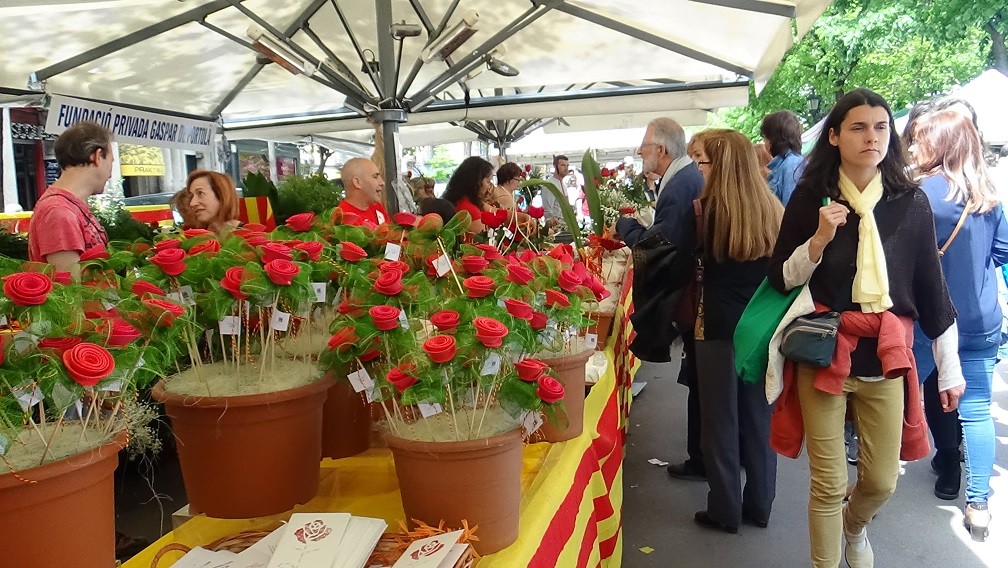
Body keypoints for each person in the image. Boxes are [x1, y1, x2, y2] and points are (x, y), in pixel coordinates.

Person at [767, 88, 965, 568]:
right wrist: (818, 238)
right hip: (822, 350)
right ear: (834, 136)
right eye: (857, 127)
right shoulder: (810, 198)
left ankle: (855, 528)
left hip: (885, 355)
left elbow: (931, 290)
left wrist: (950, 367)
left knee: (881, 480)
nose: (871, 137)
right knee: (828, 482)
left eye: (880, 127)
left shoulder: (909, 203)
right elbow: (779, 278)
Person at [907, 108, 1006, 540]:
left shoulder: (919, 196)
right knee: (977, 409)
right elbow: (1001, 254)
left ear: (938, 144)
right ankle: (979, 504)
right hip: (982, 317)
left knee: (908, 395)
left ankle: (935, 465)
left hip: (932, 318)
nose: (913, 147)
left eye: (921, 139)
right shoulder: (989, 195)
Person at [683, 129, 783, 534]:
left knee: (720, 421)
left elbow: (684, 267)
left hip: (717, 326)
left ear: (720, 163)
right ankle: (760, 504)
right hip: (761, 326)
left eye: (702, 161)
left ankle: (724, 509)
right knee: (760, 418)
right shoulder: (772, 207)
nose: (698, 169)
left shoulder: (707, 210)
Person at [616, 117, 705, 481]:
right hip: (695, 294)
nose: (640, 151)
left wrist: (627, 229)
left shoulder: (681, 183)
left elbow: (662, 247)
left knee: (701, 387)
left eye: (645, 145)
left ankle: (702, 459)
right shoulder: (681, 179)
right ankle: (704, 457)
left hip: (690, 295)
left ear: (662, 150)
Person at [28, 120, 112, 274]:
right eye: (111, 162)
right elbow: (71, 289)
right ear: (97, 156)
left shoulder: (67, 207)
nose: (111, 175)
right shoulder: (59, 212)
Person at [172, 170, 240, 234]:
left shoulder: (248, 237)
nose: (192, 203)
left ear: (222, 195)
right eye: (191, 196)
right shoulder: (193, 237)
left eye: (200, 193)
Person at [760, 110, 804, 205]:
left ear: (774, 138)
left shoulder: (791, 165)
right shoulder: (784, 164)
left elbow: (789, 209)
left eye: (765, 136)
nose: (764, 142)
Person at [443, 156, 495, 234]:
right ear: (477, 181)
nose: (489, 186)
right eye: (488, 181)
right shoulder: (469, 209)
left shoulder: (457, 201)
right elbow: (483, 241)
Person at [339, 157, 389, 226]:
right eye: (375, 177)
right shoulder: (342, 218)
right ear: (357, 182)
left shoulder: (377, 207)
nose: (382, 182)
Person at [542, 155, 569, 228]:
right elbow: (547, 210)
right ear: (555, 166)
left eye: (567, 165)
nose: (566, 168)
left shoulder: (563, 184)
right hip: (556, 227)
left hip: (565, 224)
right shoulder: (549, 185)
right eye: (563, 165)